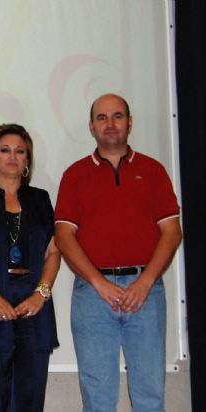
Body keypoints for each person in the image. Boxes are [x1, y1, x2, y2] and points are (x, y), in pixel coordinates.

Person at [54, 94, 183, 411]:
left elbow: (172, 232)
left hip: (146, 293)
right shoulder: (75, 175)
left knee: (150, 397)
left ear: (129, 122)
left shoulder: (153, 171)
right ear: (91, 126)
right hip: (93, 296)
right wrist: (99, 283)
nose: (110, 124)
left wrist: (145, 282)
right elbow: (64, 236)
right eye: (102, 118)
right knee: (98, 400)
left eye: (117, 116)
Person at [0, 124, 61, 411]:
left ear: (27, 159)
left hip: (34, 306)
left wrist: (41, 294)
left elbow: (54, 251)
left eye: (20, 151)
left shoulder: (40, 199)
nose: (12, 157)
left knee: (30, 399)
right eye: (5, 150)